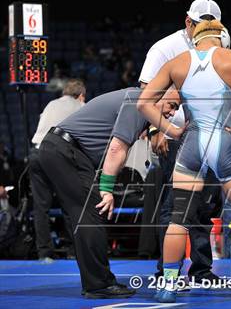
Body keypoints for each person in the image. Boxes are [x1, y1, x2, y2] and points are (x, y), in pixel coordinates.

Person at [138, 20, 231, 302]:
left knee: (179, 218)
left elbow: (143, 102)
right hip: (225, 142)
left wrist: (172, 131)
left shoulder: (176, 62)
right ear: (222, 38)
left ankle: (168, 286)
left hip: (191, 143)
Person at [38, 86, 178, 298]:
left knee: (83, 216)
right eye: (172, 105)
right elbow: (116, 149)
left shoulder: (137, 101)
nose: (172, 113)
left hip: (62, 150)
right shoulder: (138, 101)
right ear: (160, 95)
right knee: (90, 215)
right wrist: (106, 189)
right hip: (65, 151)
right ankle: (98, 285)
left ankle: (97, 281)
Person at [138, 0, 223, 284]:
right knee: (175, 205)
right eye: (201, 24)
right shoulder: (164, 48)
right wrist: (155, 130)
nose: (206, 31)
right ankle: (167, 271)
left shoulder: (218, 45)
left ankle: (201, 270)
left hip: (207, 135)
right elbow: (146, 92)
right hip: (175, 135)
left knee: (204, 205)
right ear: (188, 21)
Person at [29, 79, 86, 262]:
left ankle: (44, 253)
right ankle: (72, 250)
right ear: (81, 95)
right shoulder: (79, 106)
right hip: (54, 155)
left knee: (41, 207)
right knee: (69, 203)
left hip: (36, 154)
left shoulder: (51, 103)